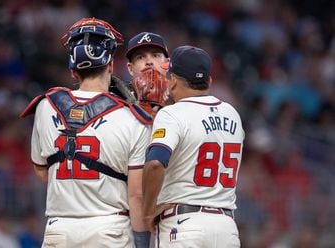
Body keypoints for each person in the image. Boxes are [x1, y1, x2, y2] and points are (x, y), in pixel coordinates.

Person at [21, 18, 151, 247]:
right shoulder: (132, 117)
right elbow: (136, 195)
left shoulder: (45, 106)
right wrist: (142, 240)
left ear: (73, 71)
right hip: (109, 230)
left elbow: (42, 172)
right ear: (110, 64)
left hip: (59, 228)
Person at [142, 45, 245, 248]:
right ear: (209, 81)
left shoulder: (172, 114)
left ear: (172, 81)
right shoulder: (232, 113)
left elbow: (155, 163)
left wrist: (147, 212)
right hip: (226, 228)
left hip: (184, 225)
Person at [125, 32, 171, 117]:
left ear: (167, 64)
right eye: (140, 57)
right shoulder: (120, 103)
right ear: (130, 69)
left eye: (155, 55)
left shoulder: (181, 99)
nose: (149, 62)